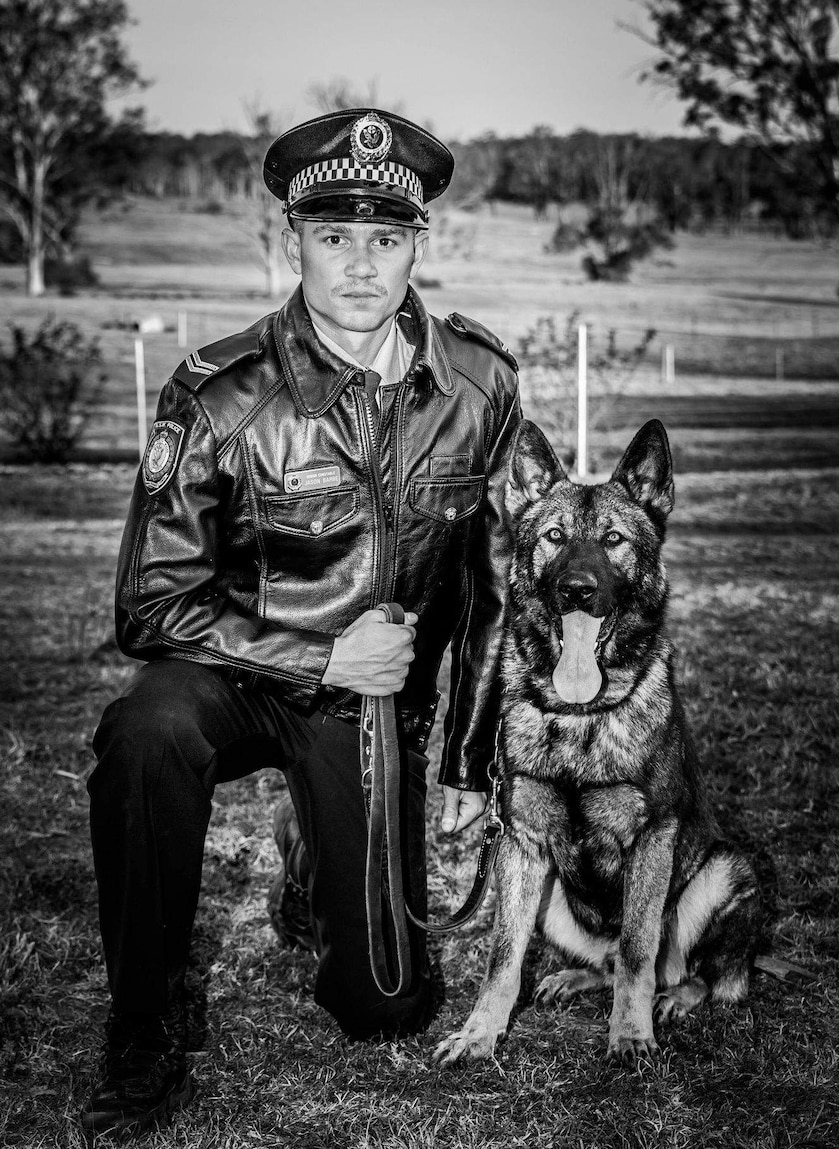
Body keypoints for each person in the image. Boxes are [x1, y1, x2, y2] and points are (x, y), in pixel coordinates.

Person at [81, 108, 521, 1137]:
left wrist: (465, 764)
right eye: (333, 235)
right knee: (142, 733)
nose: (360, 264)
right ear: (294, 240)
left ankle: (311, 854)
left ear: (421, 242)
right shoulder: (221, 391)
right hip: (230, 671)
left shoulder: (479, 384)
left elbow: (492, 592)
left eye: (385, 236)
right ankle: (142, 1022)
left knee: (386, 1010)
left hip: (367, 709)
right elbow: (148, 605)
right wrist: (322, 651)